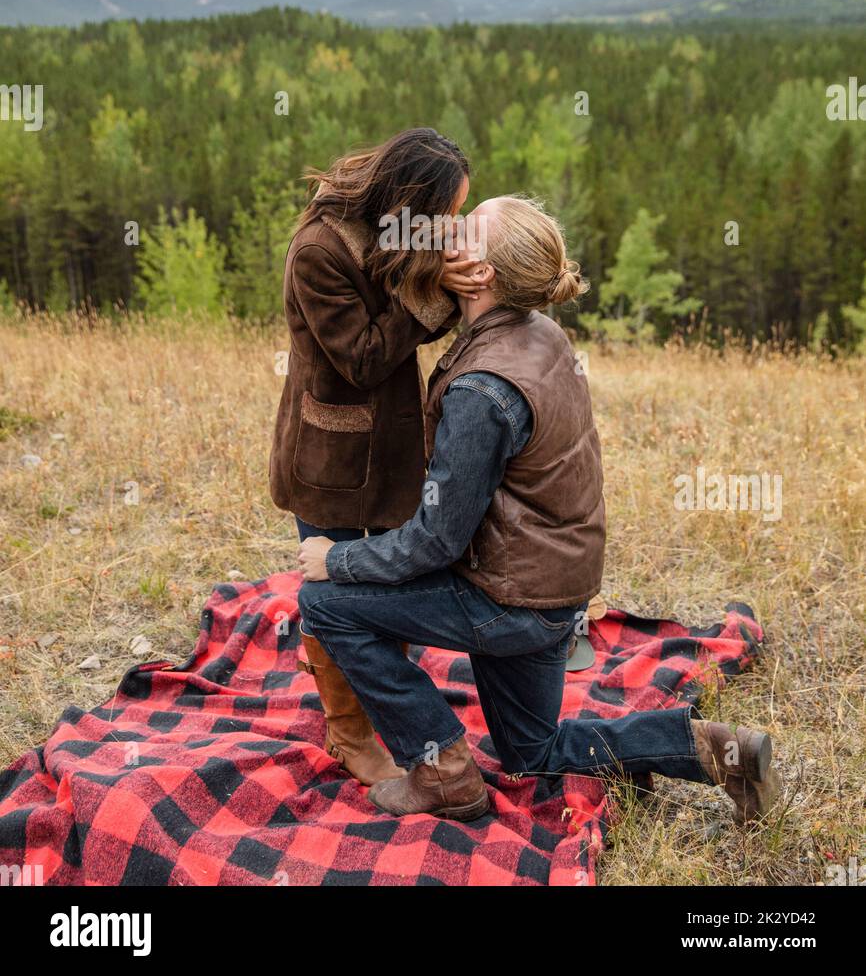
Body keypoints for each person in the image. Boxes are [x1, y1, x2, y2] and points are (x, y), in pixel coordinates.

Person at [297, 195, 782, 825]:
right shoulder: (542, 334)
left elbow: (436, 543)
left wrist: (338, 557)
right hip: (557, 593)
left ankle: (441, 769)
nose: (443, 232)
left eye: (463, 230)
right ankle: (716, 750)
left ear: (481, 272)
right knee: (530, 750)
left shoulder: (482, 389)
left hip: (509, 601)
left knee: (324, 605)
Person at [269, 127, 478, 785]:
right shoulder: (319, 251)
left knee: (388, 577)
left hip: (392, 437)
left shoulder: (395, 226)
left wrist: (444, 275)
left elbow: (408, 311)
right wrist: (432, 291)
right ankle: (349, 732)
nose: (446, 228)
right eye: (441, 216)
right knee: (329, 581)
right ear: (408, 200)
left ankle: (388, 701)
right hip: (328, 451)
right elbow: (361, 358)